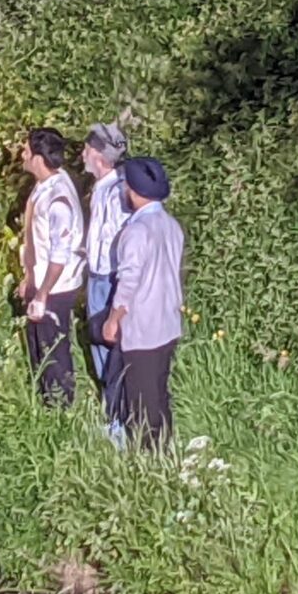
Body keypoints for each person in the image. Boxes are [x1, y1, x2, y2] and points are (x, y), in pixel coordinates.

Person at [102, 158, 184, 448]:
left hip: (143, 329)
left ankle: (149, 460)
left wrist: (113, 319)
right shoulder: (171, 225)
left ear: (134, 190)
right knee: (160, 394)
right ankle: (166, 448)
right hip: (168, 323)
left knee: (142, 401)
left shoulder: (136, 231)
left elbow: (128, 282)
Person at [17, 128, 86, 407]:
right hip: (41, 281)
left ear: (38, 158)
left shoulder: (58, 200)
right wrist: (28, 277)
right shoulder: (44, 184)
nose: (21, 155)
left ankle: (60, 405)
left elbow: (60, 254)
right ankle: (45, 399)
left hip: (55, 287)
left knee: (53, 349)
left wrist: (42, 293)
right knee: (38, 346)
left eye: (25, 150)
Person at [81, 123, 129, 430]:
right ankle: (110, 411)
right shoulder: (101, 189)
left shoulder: (117, 193)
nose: (82, 154)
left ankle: (119, 423)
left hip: (111, 280)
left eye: (86, 149)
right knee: (98, 341)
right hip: (97, 276)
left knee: (112, 348)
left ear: (98, 154)